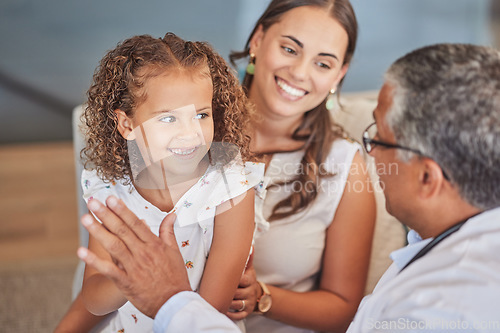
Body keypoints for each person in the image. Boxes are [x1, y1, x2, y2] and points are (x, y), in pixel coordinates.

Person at [77, 42, 500, 332]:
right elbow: (92, 298)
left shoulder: (443, 311)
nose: (369, 154)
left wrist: (166, 295)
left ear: (429, 178)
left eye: (379, 139)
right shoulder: (448, 245)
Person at [56, 33, 263, 332]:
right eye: (168, 119)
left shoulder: (232, 190)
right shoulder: (112, 191)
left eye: (201, 115)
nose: (190, 133)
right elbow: (93, 301)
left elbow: (210, 309)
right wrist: (130, 277)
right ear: (127, 125)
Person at [225, 0, 376, 332]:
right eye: (290, 49)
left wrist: (261, 297)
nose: (300, 72)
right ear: (258, 40)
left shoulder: (345, 168)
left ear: (340, 74)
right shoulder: (190, 127)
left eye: (323, 64)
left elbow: (343, 309)